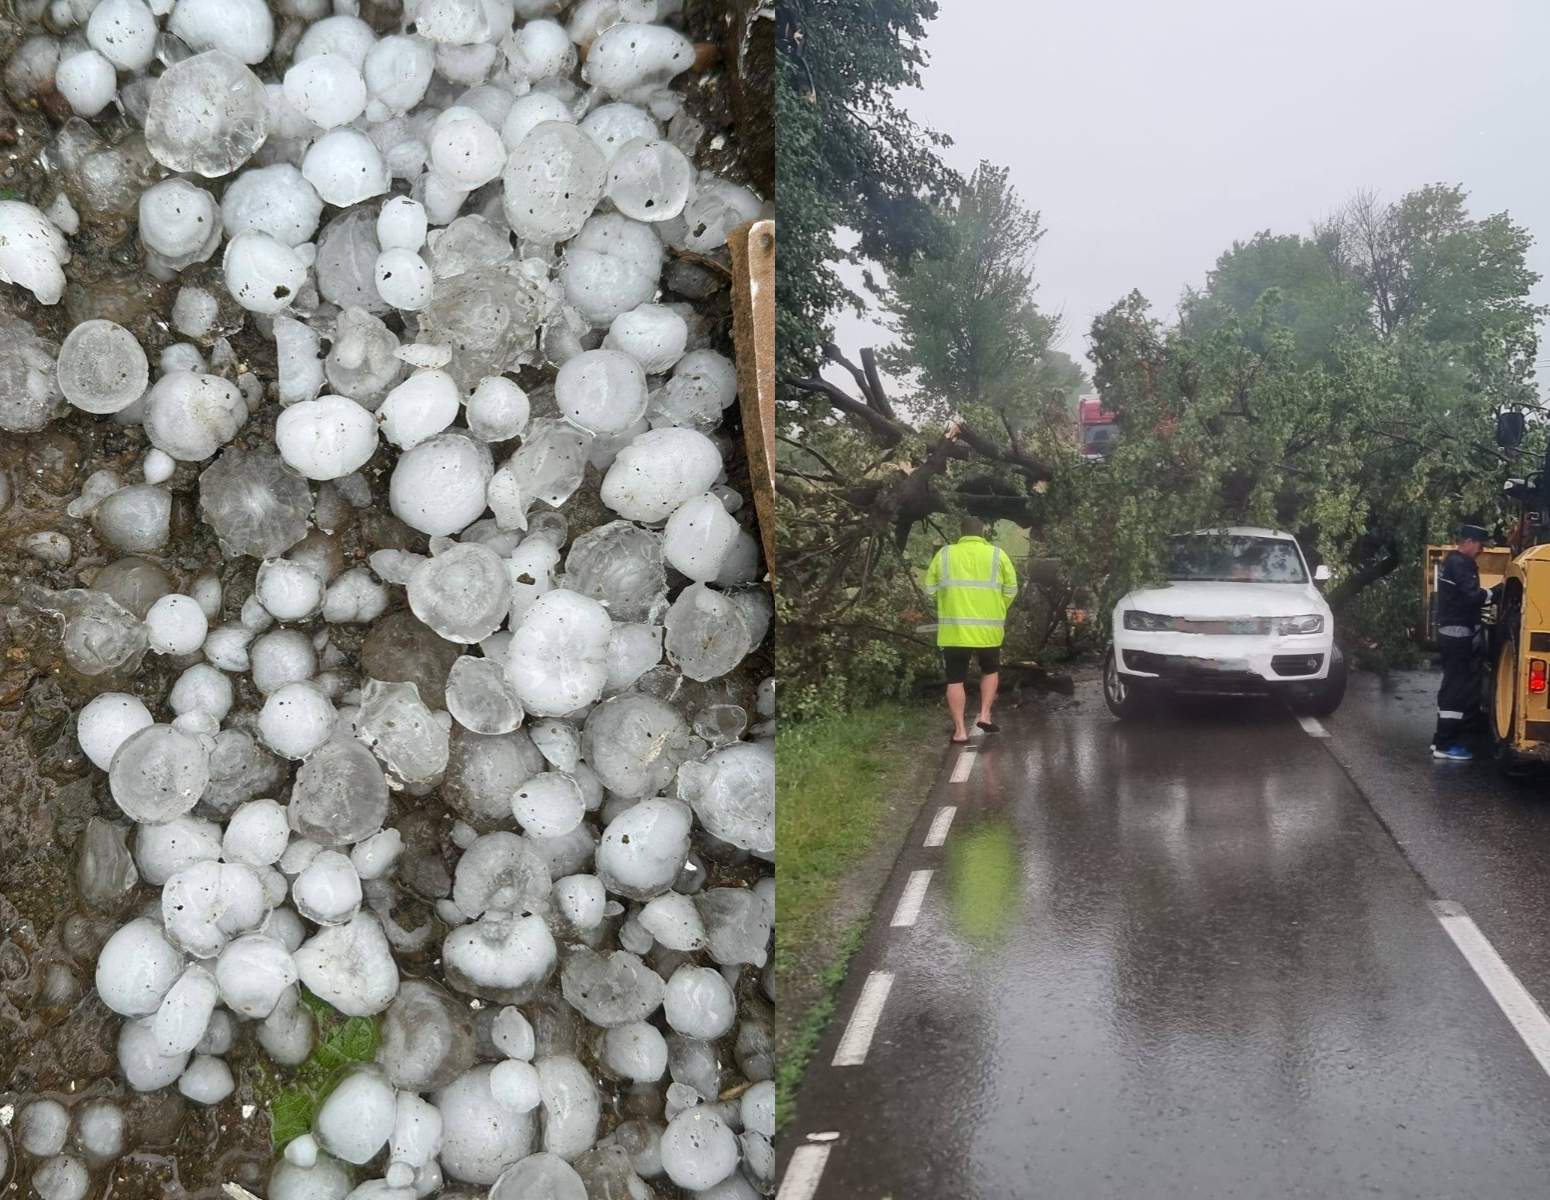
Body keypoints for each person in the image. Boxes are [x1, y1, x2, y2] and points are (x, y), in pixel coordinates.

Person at [922, 515, 1019, 743]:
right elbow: (1011, 589)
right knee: (990, 671)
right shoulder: (997, 555)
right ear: (983, 533)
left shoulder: (944, 554)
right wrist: (998, 608)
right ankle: (984, 714)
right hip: (988, 631)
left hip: (954, 631)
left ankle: (960, 731)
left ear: (961, 533)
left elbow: (930, 589)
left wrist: (948, 603)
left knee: (955, 680)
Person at [1431, 522, 1495, 761]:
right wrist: (1495, 592)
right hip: (1458, 634)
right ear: (1468, 542)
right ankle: (1446, 745)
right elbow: (1472, 597)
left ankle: (1440, 739)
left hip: (1450, 632)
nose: (1480, 550)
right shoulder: (1461, 564)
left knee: (1450, 684)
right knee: (1456, 689)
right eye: (1479, 545)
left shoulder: (1452, 562)